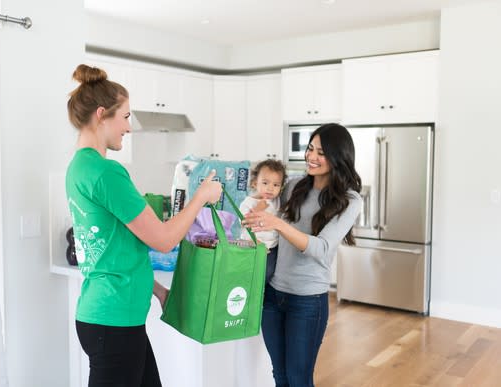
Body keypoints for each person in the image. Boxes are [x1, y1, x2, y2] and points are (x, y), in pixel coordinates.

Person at [65, 64, 222, 387]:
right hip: (114, 321)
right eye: (124, 117)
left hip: (109, 316)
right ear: (101, 115)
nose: (129, 127)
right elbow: (163, 240)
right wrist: (201, 197)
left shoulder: (79, 167)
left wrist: (157, 289)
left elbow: (113, 248)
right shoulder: (107, 173)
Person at [243, 123, 362, 387]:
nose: (312, 156)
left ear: (338, 156)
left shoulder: (349, 199)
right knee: (280, 375)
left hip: (307, 302)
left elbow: (321, 248)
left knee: (298, 378)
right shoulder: (294, 186)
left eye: (321, 152)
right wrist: (248, 210)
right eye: (310, 149)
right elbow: (264, 201)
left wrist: (278, 225)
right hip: (273, 296)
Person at [239, 159, 287, 283]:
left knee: (267, 274)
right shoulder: (249, 202)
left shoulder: (276, 201)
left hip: (272, 247)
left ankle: (259, 295)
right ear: (255, 183)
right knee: (251, 274)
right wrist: (257, 210)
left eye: (276, 185)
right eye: (265, 183)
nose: (270, 188)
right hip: (253, 244)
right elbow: (243, 223)